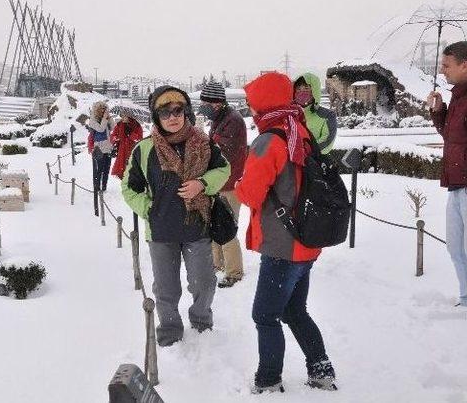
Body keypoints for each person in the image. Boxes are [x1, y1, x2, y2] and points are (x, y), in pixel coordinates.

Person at [235, 72, 336, 393]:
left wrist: (238, 185)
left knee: (265, 314)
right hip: (306, 239)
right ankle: (321, 369)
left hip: (284, 245)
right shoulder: (299, 129)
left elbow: (251, 194)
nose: (251, 111)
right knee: (294, 310)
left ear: (262, 105)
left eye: (252, 104)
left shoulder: (269, 140)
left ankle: (268, 379)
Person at [121, 85, 230, 347]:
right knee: (166, 289)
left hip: (197, 226)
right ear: (156, 117)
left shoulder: (203, 144)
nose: (173, 116)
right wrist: (149, 209)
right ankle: (170, 329)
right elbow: (129, 187)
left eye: (178, 110)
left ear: (186, 112)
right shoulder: (144, 149)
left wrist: (202, 183)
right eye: (165, 112)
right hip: (162, 231)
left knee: (203, 282)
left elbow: (224, 169)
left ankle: (202, 321)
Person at [428, 41, 467, 308]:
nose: (442, 70)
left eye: (447, 65)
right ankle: (465, 296)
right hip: (456, 182)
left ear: (465, 65)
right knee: (455, 246)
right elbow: (452, 138)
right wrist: (439, 111)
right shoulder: (458, 96)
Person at [200, 81, 247, 288]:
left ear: (216, 102)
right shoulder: (220, 118)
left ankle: (234, 272)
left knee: (227, 227)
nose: (203, 106)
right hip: (219, 182)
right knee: (215, 225)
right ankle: (217, 264)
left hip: (230, 183)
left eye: (205, 103)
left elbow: (221, 152)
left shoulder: (232, 121)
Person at [293, 73, 337, 154]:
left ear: (314, 90)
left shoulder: (327, 115)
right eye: (298, 89)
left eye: (306, 88)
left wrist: (304, 151)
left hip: (314, 162)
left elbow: (327, 141)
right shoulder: (289, 115)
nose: (302, 92)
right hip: (290, 164)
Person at [87, 101, 114, 192]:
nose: (103, 111)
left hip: (108, 147)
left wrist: (109, 118)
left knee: (106, 169)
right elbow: (100, 128)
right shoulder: (92, 120)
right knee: (99, 169)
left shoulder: (105, 118)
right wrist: (105, 119)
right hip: (98, 148)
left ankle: (104, 187)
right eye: (101, 109)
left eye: (104, 109)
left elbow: (114, 127)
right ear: (96, 110)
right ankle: (97, 187)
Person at [110, 110, 143, 179]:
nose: (123, 118)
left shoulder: (136, 125)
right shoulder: (119, 125)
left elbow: (139, 139)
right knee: (122, 172)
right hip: (122, 150)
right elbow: (113, 136)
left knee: (132, 169)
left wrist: (130, 134)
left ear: (129, 116)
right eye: (122, 116)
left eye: (124, 116)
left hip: (133, 150)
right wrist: (116, 138)